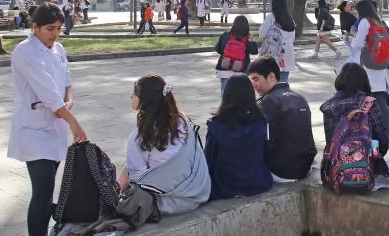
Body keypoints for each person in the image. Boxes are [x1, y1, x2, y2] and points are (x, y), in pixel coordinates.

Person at [7, 3, 89, 236]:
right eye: (50, 29)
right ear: (35, 27)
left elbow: (67, 81)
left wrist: (69, 101)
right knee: (41, 192)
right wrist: (75, 123)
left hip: (54, 127)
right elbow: (47, 92)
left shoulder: (59, 48)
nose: (55, 34)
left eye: (59, 29)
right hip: (33, 129)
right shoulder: (24, 52)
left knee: (48, 189)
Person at [116, 74, 211, 214]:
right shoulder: (183, 121)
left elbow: (137, 177)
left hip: (164, 201)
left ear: (145, 100)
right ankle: (116, 187)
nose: (131, 97)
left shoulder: (140, 134)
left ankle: (114, 190)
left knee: (131, 168)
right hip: (194, 195)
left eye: (134, 93)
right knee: (132, 163)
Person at [248, 57, 316, 182]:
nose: (253, 85)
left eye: (256, 79)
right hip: (305, 167)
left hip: (283, 171)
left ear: (271, 77)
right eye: (251, 80)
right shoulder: (299, 97)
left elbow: (269, 144)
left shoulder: (269, 101)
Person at [205, 75, 273, 200]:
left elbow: (208, 159)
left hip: (226, 186)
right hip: (258, 182)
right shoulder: (260, 120)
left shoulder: (216, 124)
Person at [320, 62, 389, 177]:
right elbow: (382, 140)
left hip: (336, 171)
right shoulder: (369, 103)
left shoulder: (329, 107)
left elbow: (330, 140)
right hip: (370, 170)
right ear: (364, 81)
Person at [350, 0, 389, 145]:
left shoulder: (365, 22)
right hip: (381, 64)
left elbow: (358, 44)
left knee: (380, 100)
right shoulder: (377, 20)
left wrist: (352, 40)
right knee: (382, 97)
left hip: (370, 66)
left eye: (356, 10)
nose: (355, 12)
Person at [214, 15, 259, 94]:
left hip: (224, 68)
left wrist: (228, 55)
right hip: (240, 70)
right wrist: (252, 40)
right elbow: (255, 51)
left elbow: (218, 49)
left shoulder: (225, 35)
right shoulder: (246, 38)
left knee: (225, 94)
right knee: (240, 94)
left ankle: (225, 106)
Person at [258, 0, 297, 83]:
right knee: (283, 81)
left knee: (271, 82)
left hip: (273, 52)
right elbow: (292, 38)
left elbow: (262, 34)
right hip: (287, 53)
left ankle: (273, 97)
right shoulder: (290, 19)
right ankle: (283, 96)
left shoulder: (271, 17)